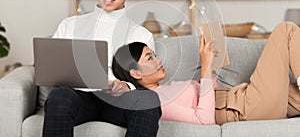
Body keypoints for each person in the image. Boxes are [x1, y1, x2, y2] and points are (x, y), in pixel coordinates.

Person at [43, 0, 161, 137]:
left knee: (149, 98)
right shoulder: (69, 25)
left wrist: (125, 86)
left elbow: (146, 81)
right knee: (59, 96)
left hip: (119, 102)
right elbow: (53, 71)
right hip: (80, 99)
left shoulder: (141, 34)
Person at [112, 21, 300, 125]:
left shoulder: (169, 87)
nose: (158, 61)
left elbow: (210, 95)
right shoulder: (155, 101)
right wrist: (205, 69)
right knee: (286, 30)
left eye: (154, 55)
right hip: (248, 108)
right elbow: (204, 119)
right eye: (149, 58)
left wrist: (213, 62)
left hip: (244, 97)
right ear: (135, 73)